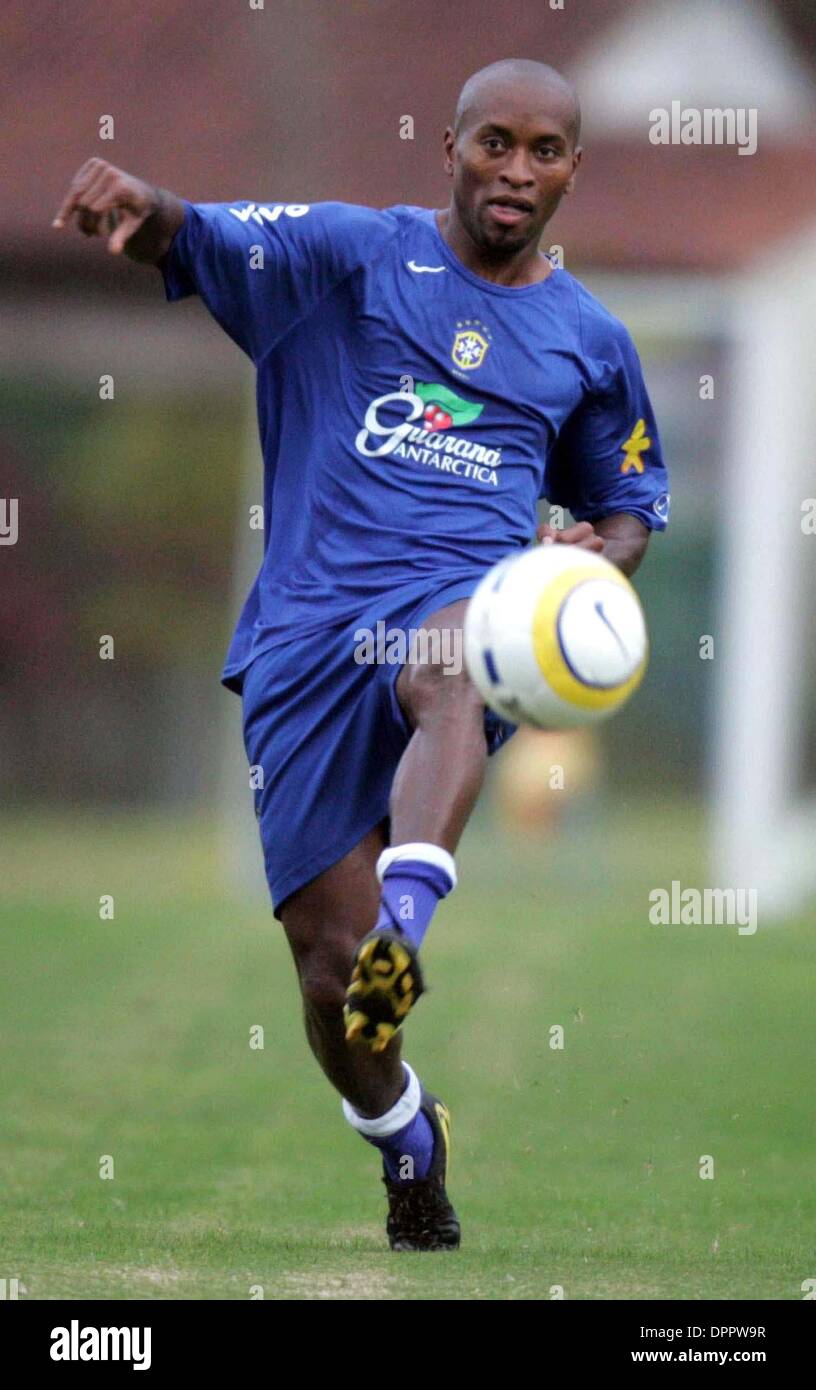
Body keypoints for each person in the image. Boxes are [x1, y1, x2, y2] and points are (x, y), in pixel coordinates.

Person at [53, 57, 669, 1251]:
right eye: (497, 142)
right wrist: (145, 212)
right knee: (335, 986)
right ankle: (406, 1138)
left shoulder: (590, 338)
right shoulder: (349, 256)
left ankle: (413, 920)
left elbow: (629, 496)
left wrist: (602, 557)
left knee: (449, 668)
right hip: (302, 645)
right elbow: (205, 235)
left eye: (546, 151)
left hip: (462, 611)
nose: (518, 170)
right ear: (449, 147)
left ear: (573, 169)